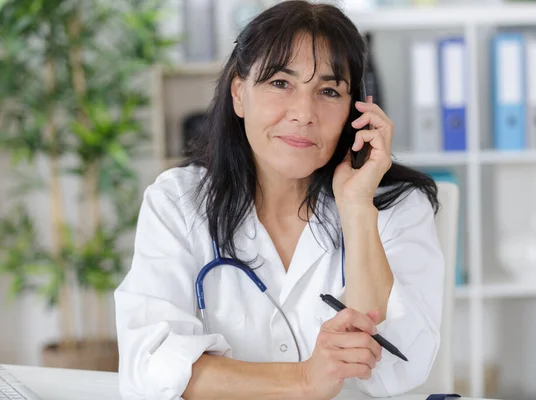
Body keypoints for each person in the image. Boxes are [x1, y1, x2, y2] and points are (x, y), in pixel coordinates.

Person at [114, 1, 445, 399]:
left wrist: (357, 208)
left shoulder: (396, 207)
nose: (304, 113)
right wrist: (303, 381)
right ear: (239, 93)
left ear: (355, 111)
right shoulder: (177, 203)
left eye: (328, 90)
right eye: (280, 83)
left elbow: (401, 367)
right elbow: (149, 366)